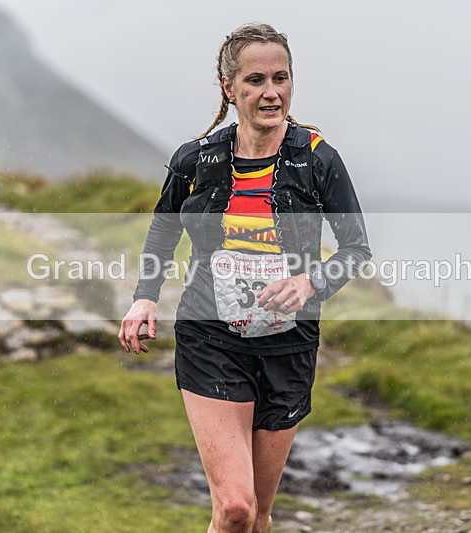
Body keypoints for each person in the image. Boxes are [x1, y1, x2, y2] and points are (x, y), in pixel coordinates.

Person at [119, 23, 370, 533]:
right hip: (210, 336)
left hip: (289, 346)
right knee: (234, 507)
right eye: (255, 80)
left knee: (258, 517)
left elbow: (356, 250)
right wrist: (144, 298)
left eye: (281, 78)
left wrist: (310, 283)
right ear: (229, 88)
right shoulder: (197, 160)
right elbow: (163, 234)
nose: (271, 92)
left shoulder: (318, 160)